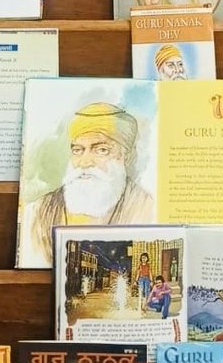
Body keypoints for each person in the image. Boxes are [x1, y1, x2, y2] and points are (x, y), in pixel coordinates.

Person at [19, 102, 154, 265]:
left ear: (125, 156)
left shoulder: (147, 209)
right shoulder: (37, 213)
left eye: (101, 150)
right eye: (78, 150)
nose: (85, 162)